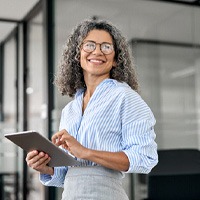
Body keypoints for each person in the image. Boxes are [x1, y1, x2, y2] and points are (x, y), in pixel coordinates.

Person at [26, 19, 158, 200]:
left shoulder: (125, 98)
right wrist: (45, 167)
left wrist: (86, 152)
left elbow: (144, 158)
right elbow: (66, 174)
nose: (97, 51)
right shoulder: (70, 109)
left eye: (106, 47)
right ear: (77, 54)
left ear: (116, 60)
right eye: (89, 45)